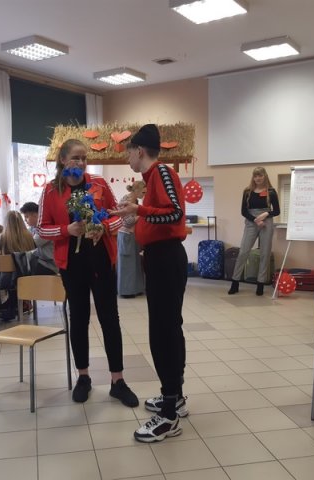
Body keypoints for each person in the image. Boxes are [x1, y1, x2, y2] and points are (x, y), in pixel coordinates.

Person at [38, 138, 138, 409]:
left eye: (84, 158)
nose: (81, 163)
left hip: (102, 261)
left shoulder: (99, 184)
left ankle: (118, 381)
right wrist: (66, 230)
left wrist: (104, 227)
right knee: (79, 318)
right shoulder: (51, 190)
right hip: (71, 265)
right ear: (63, 160)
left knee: (110, 319)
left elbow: (117, 215)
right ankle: (83, 377)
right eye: (76, 158)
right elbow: (41, 229)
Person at [110, 124, 188, 443]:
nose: (127, 158)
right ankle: (175, 396)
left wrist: (139, 210)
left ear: (139, 150)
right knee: (168, 328)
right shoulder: (152, 177)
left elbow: (174, 214)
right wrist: (136, 214)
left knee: (163, 332)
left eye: (128, 152)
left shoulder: (162, 172)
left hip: (166, 258)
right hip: (160, 257)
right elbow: (159, 214)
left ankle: (168, 415)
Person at [228, 167, 280, 296]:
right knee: (243, 252)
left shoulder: (271, 192)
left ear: (265, 176)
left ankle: (260, 284)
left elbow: (277, 211)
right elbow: (243, 211)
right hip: (251, 222)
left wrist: (266, 214)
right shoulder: (247, 191)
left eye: (260, 175)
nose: (258, 178)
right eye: (256, 176)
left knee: (265, 253)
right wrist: (256, 220)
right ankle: (235, 282)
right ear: (253, 177)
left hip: (266, 222)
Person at [0, 210, 36, 320]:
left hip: (5, 280)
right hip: (27, 277)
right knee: (15, 275)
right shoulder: (29, 236)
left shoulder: (1, 237)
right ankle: (16, 305)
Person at [116, 180, 146, 298]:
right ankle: (126, 291)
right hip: (126, 236)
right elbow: (127, 222)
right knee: (127, 264)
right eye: (143, 192)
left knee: (135, 263)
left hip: (133, 235)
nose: (144, 195)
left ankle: (137, 289)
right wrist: (143, 214)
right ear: (137, 190)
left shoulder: (136, 201)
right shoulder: (126, 200)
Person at [19, 202, 58, 275]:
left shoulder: (45, 227)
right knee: (19, 263)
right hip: (40, 261)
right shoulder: (33, 228)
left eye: (26, 217)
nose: (25, 220)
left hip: (49, 265)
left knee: (20, 266)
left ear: (35, 215)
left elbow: (30, 244)